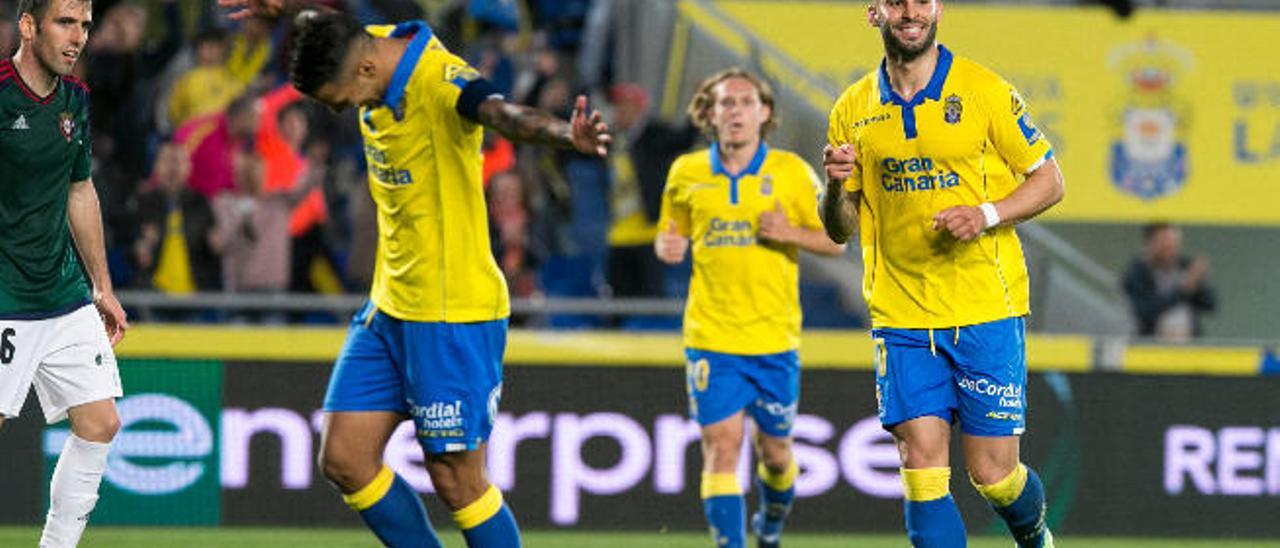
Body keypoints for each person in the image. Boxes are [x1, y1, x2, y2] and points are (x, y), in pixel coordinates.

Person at [218, 2, 610, 547]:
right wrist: (289, 13)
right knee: (346, 459)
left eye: (338, 101)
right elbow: (336, 21)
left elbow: (500, 113)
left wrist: (566, 135)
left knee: (457, 480)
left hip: (451, 310)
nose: (340, 113)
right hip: (390, 305)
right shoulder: (369, 42)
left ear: (366, 72)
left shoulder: (440, 81)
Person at [820, 1, 1065, 547]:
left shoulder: (984, 91)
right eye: (897, 1)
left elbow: (1050, 180)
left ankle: (1036, 537)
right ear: (874, 13)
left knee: (993, 476)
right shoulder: (851, 109)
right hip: (901, 313)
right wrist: (835, 184)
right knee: (922, 467)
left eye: (922, 1)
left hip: (985, 307)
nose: (910, 11)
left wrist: (986, 214)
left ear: (938, 10)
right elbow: (840, 229)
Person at [655, 68, 845, 548]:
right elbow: (669, 232)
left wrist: (790, 234)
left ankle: (771, 524)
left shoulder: (791, 173)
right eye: (726, 103)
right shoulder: (686, 174)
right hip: (711, 337)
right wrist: (667, 246)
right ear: (710, 114)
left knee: (777, 456)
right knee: (722, 448)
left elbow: (836, 242)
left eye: (745, 102)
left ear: (764, 114)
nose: (735, 111)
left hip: (774, 339)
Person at [0, 1, 129, 547]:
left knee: (101, 424)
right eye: (65, 23)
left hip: (62, 291)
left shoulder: (75, 99)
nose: (78, 37)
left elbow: (80, 189)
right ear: (28, 26)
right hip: (4, 297)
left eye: (84, 25)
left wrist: (102, 285)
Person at [1122, 222, 1215, 342]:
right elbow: (1144, 312)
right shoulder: (1137, 273)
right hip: (1152, 348)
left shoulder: (1184, 266)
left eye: (1174, 244)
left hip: (1187, 346)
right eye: (1165, 243)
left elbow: (1210, 305)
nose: (1171, 250)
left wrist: (1200, 282)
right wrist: (1183, 290)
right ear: (1150, 243)